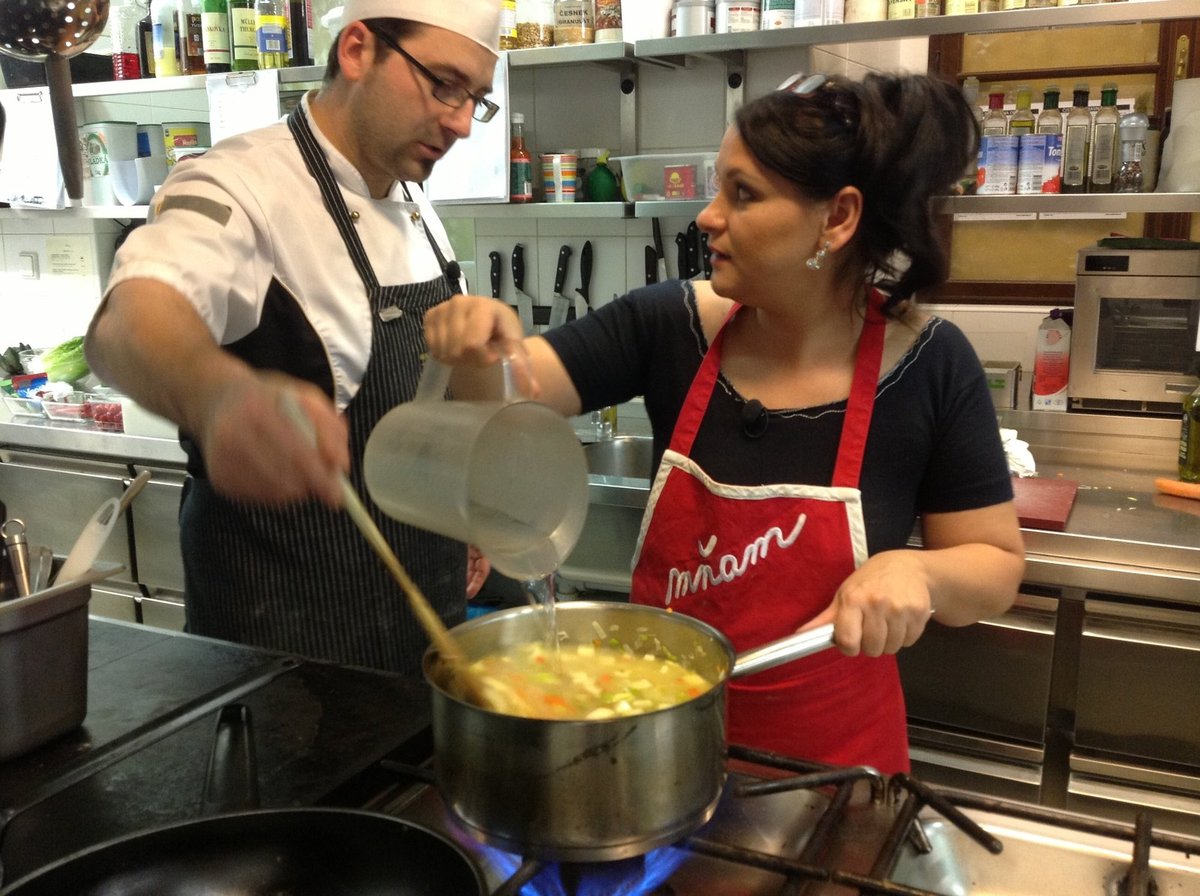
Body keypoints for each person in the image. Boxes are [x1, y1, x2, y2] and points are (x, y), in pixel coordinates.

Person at [424, 71, 1026, 773]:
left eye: (742, 194)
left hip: (835, 775)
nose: (707, 217)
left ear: (837, 217)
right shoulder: (665, 325)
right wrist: (476, 345)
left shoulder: (929, 361)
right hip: (656, 756)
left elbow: (995, 567)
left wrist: (918, 576)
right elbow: (504, 394)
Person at [83, 0, 502, 675]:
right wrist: (218, 394)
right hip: (285, 673)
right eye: (444, 84)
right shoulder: (241, 184)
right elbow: (129, 319)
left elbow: (418, 411)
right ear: (358, 51)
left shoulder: (413, 198)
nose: (460, 121)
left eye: (475, 99)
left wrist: (458, 513)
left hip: (421, 656)